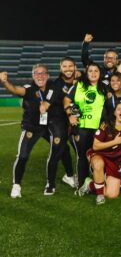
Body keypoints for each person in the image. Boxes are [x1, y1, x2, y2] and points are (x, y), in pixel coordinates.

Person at [1, 66, 67, 197]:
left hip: (48, 126)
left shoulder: (53, 88)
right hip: (32, 127)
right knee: (23, 155)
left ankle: (64, 177)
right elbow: (14, 89)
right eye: (36, 73)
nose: (40, 76)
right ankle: (16, 185)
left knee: (62, 149)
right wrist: (5, 82)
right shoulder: (29, 89)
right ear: (33, 76)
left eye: (43, 73)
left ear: (47, 76)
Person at [81, 102, 121, 205]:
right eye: (119, 109)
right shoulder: (106, 124)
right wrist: (115, 142)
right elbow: (96, 146)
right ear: (115, 112)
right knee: (98, 164)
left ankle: (90, 184)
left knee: (112, 195)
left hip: (115, 161)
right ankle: (99, 196)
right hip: (99, 154)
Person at [64, 63, 109, 191]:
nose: (93, 73)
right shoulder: (78, 85)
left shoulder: (104, 88)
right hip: (80, 127)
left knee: (98, 155)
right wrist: (69, 115)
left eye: (96, 71)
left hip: (98, 128)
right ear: (87, 73)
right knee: (82, 155)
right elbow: (66, 100)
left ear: (100, 73)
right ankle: (81, 184)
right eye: (90, 71)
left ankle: (99, 180)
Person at [51, 57, 79, 188]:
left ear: (75, 67)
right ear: (60, 68)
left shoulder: (80, 81)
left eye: (70, 66)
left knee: (81, 147)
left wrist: (76, 116)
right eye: (65, 66)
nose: (68, 69)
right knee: (62, 146)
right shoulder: (57, 84)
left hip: (75, 118)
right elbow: (65, 103)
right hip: (60, 120)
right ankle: (69, 175)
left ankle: (84, 173)